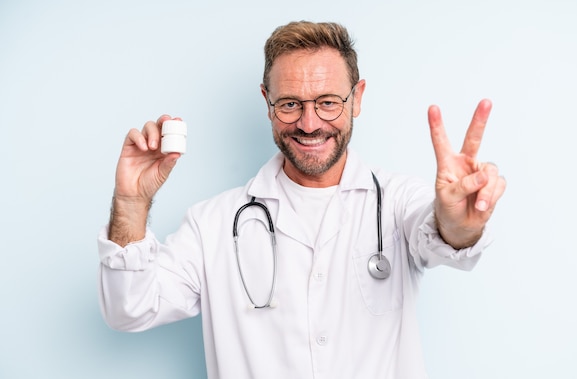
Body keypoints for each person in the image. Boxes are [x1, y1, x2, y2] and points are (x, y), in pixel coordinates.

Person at [98, 21, 506, 379]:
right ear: (267, 102)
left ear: (357, 97)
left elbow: (441, 232)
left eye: (328, 102)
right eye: (290, 104)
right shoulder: (213, 225)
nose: (309, 124)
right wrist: (131, 203)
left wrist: (462, 223)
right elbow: (130, 309)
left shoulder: (398, 202)